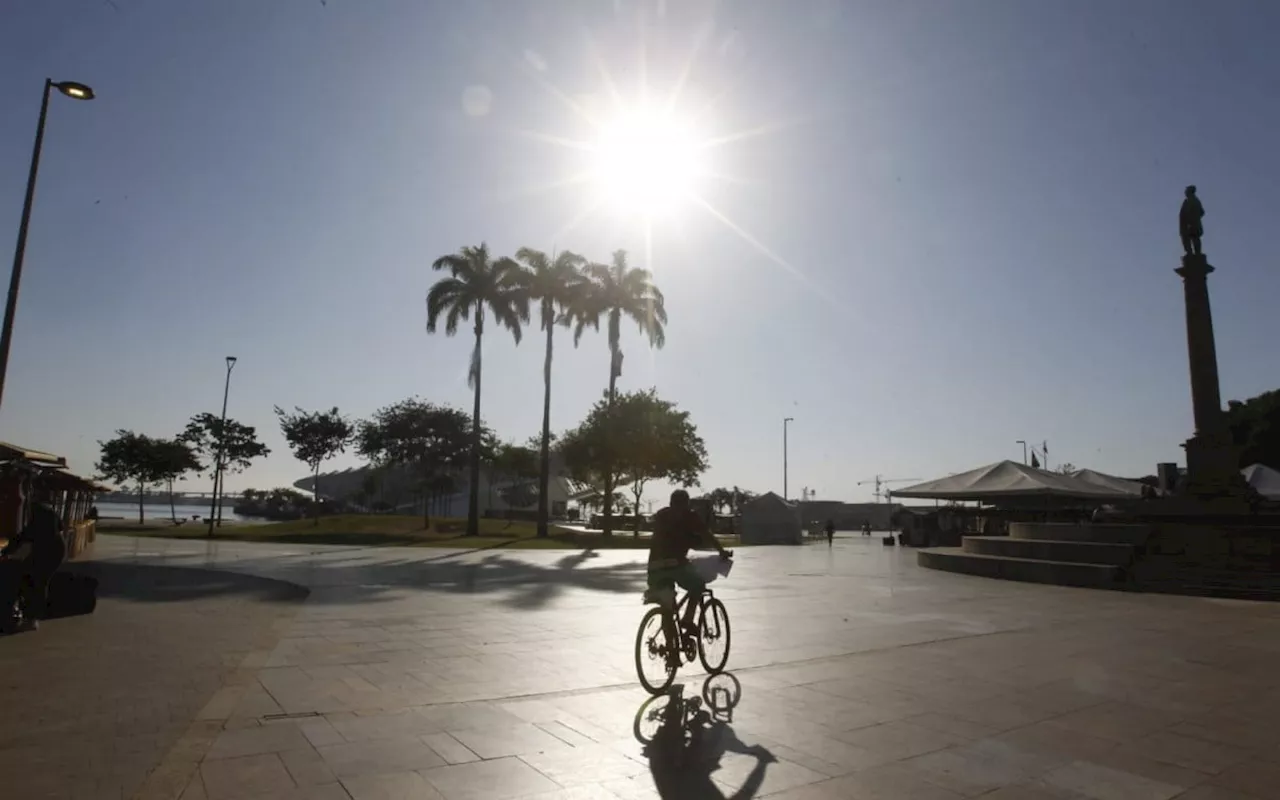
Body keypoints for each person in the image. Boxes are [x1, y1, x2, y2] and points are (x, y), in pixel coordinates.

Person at [647, 490, 731, 665]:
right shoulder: (689, 516)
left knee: (667, 607)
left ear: (670, 502)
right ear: (686, 504)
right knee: (698, 584)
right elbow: (706, 535)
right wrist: (721, 551)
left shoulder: (662, 515)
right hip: (675, 565)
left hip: (654, 569)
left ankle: (672, 652)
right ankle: (687, 619)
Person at [0, 478, 66, 632]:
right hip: (51, 549)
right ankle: (27, 616)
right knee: (33, 581)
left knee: (37, 582)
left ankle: (31, 620)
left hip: (49, 552)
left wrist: (8, 555)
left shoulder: (36, 512)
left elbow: (26, 540)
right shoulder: (38, 510)